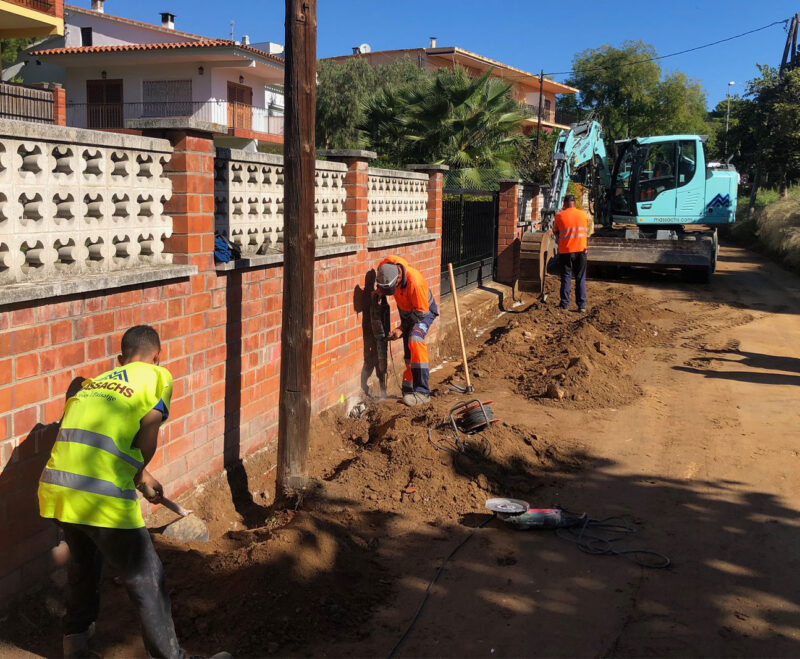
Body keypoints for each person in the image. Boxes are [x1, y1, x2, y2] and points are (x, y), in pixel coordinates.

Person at [38, 325, 185, 659]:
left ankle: (75, 646)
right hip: (102, 497)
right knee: (147, 580)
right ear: (157, 356)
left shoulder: (94, 386)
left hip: (58, 492)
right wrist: (138, 473)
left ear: (120, 359)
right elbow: (147, 434)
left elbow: (101, 439)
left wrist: (141, 476)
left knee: (84, 566)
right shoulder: (157, 378)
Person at [375, 255, 439, 406]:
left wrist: (401, 328)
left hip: (423, 312)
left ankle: (423, 392)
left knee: (415, 340)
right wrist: (379, 290)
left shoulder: (416, 283)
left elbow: (420, 314)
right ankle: (409, 385)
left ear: (397, 280)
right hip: (407, 312)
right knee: (409, 352)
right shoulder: (386, 266)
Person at [553, 194, 589, 312]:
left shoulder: (559, 215)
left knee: (566, 277)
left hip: (566, 251)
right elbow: (586, 227)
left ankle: (564, 305)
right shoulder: (583, 214)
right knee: (580, 277)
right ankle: (581, 305)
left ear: (564, 203)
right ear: (575, 203)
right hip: (581, 250)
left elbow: (555, 232)